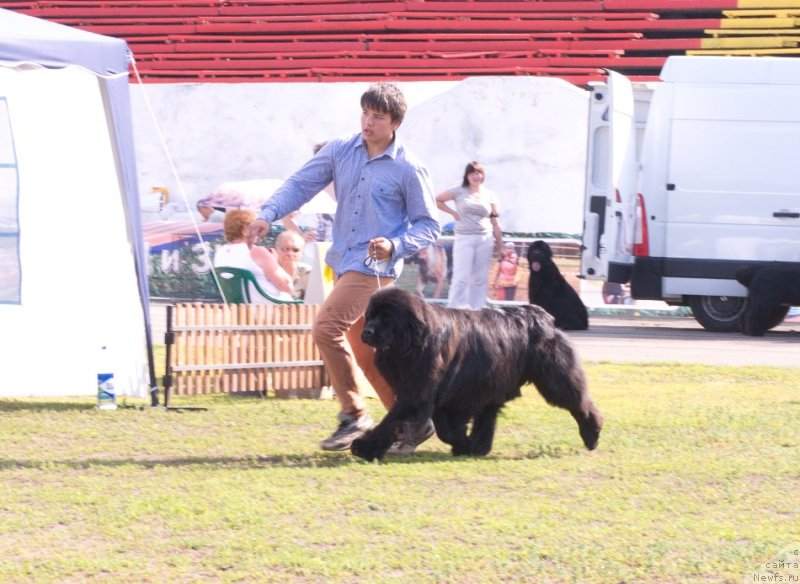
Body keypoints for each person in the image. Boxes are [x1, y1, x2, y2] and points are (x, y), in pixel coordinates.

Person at [247, 82, 441, 453]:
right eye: (365, 113)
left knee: (325, 328)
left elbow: (428, 224)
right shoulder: (340, 149)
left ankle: (354, 416)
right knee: (367, 357)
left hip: (374, 267)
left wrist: (395, 245)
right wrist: (266, 215)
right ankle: (413, 424)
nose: (368, 122)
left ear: (395, 122)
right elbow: (300, 184)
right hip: (343, 261)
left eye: (378, 117)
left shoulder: (409, 167)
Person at [436, 161, 503, 309]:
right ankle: (454, 310)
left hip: (485, 239)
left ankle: (476, 311)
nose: (476, 176)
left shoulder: (490, 195)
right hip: (464, 238)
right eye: (472, 172)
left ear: (483, 175)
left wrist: (501, 246)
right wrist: (452, 213)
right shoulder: (459, 190)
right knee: (461, 277)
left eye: (479, 172)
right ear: (467, 175)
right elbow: (438, 200)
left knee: (479, 279)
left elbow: (496, 222)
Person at [214, 209, 295, 303]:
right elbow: (287, 286)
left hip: (239, 311)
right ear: (245, 230)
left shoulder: (220, 253)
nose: (259, 233)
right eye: (257, 228)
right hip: (271, 310)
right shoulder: (256, 252)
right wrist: (275, 261)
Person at [274, 229, 312, 300]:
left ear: (302, 253)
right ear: (277, 249)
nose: (290, 253)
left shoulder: (308, 273)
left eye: (295, 250)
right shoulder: (269, 270)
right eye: (285, 249)